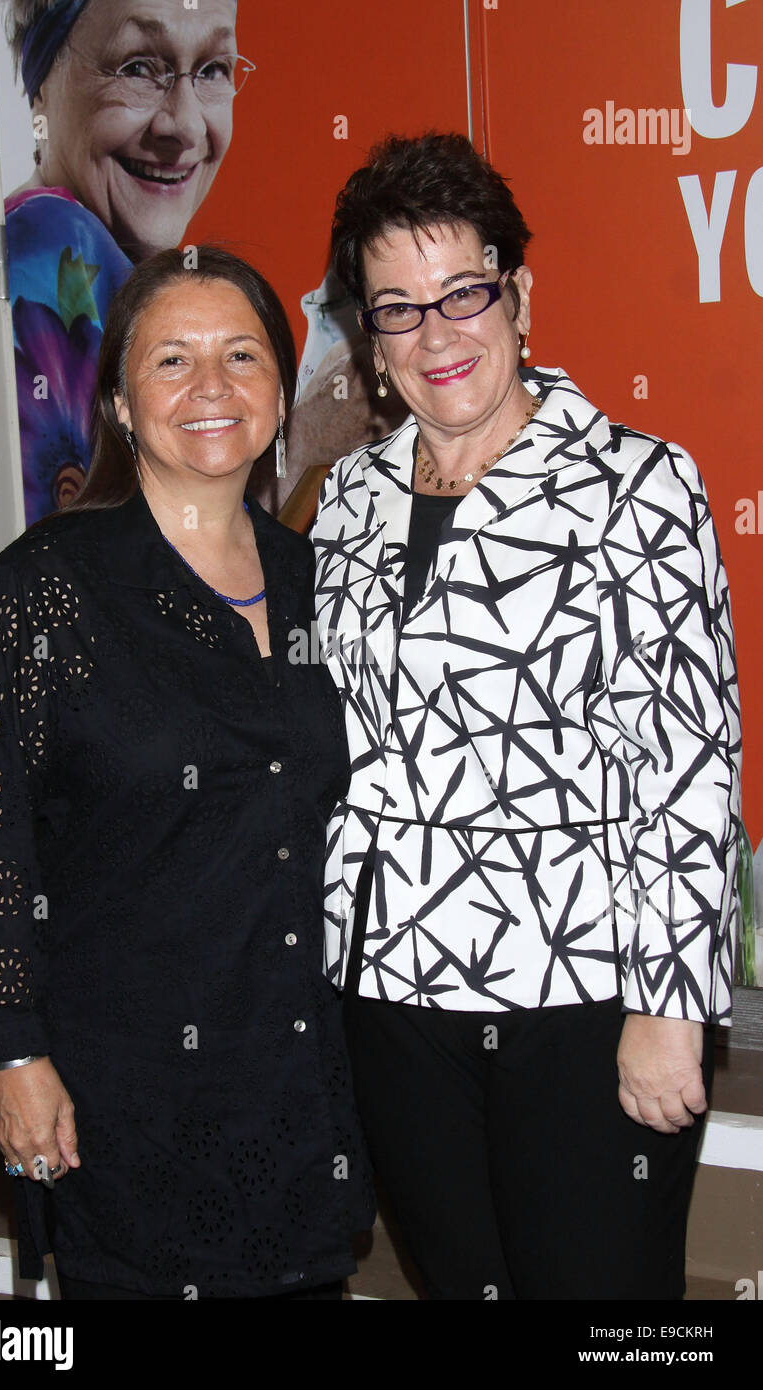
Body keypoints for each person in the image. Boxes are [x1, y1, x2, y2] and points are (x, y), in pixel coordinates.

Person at [311, 132, 742, 1301]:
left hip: (581, 994)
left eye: (464, 292)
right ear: (370, 337)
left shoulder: (638, 483)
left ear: (519, 295)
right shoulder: (344, 497)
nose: (436, 333)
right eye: (398, 308)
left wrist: (671, 1007)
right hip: (391, 991)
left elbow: (689, 759)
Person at [0, 245, 372, 1299]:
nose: (212, 387)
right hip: (122, 1097)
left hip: (299, 1081)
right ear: (123, 407)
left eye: (241, 355)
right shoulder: (48, 586)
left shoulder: (324, 583)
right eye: (172, 360)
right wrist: (11, 1056)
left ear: (283, 386)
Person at [1, 0, 252, 521]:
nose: (185, 126)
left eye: (212, 70)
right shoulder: (53, 241)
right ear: (42, 79)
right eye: (137, 68)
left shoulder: (120, 273)